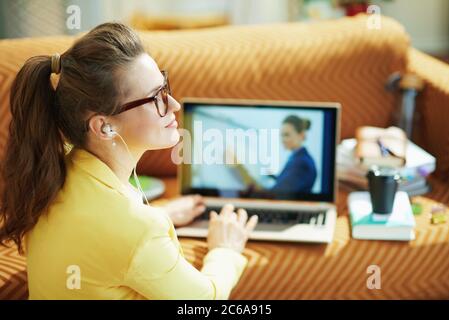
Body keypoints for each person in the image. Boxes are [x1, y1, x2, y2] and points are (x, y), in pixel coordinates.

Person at [0, 23, 258, 299]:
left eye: (164, 86)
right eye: (154, 97)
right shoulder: (137, 229)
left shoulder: (56, 171)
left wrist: (164, 214)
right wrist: (225, 249)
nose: (173, 105)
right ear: (104, 127)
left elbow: (101, 233)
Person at [271, 115, 317, 194]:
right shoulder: (298, 158)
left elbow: (279, 191)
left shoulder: (301, 162)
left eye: (286, 135)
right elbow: (288, 181)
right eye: (281, 135)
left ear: (301, 135)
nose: (283, 140)